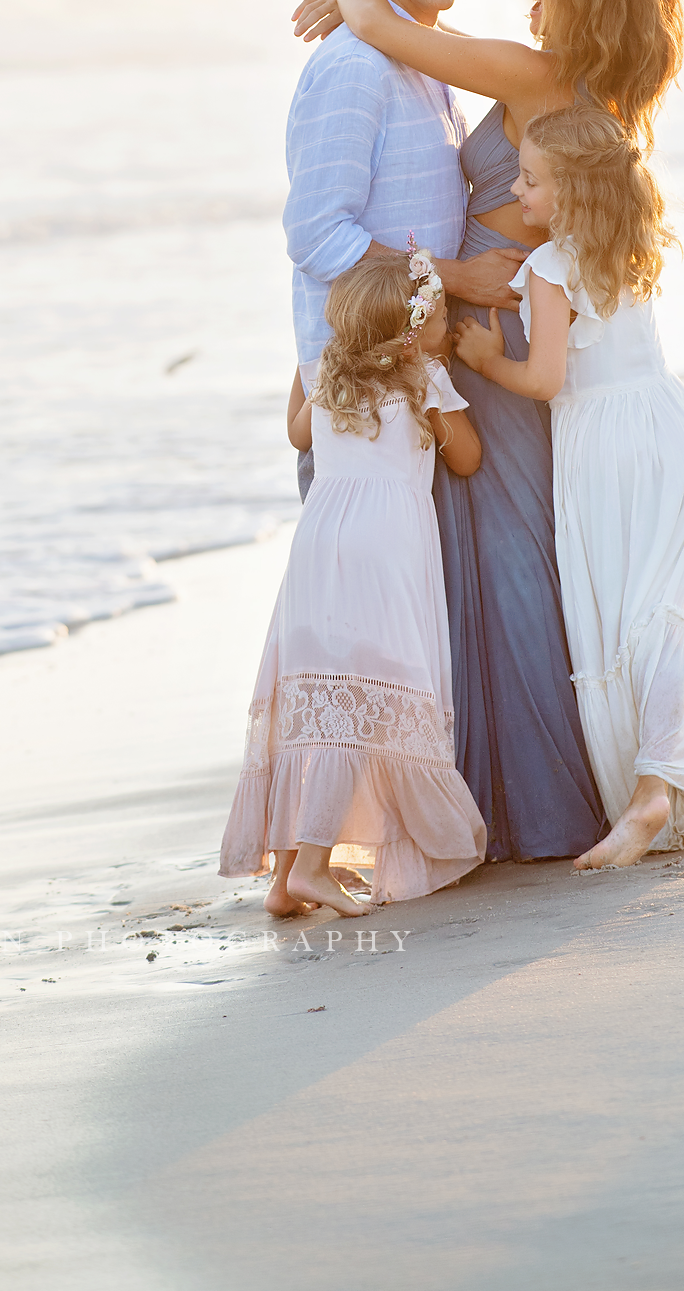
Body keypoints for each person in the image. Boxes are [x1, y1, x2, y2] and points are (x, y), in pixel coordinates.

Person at [295, 0, 681, 863]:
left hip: (487, 317)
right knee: (504, 540)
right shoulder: (594, 82)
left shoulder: (537, 73)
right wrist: (385, 11)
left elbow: (392, 31)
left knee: (503, 544)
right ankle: (515, 795)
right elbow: (444, 41)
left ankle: (527, 802)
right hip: (498, 313)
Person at [282, 0, 531, 819]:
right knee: (349, 649)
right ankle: (328, 838)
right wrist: (452, 280)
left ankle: (398, 825)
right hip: (363, 398)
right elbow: (319, 237)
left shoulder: (418, 60)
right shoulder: (351, 65)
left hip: (417, 397)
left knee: (405, 640)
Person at [453, 105, 684, 865]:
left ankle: (650, 793)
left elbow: (545, 377)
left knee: (625, 618)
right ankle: (661, 783)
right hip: (671, 432)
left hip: (601, 448)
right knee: (670, 611)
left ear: (570, 193)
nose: (517, 194)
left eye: (529, 181)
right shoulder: (635, 244)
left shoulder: (549, 268)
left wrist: (486, 359)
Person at [219, 248, 488, 912]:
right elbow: (469, 459)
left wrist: (307, 371)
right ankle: (313, 865)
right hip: (387, 547)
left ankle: (286, 877)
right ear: (411, 330)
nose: (447, 322)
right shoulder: (424, 382)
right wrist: (448, 382)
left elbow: (296, 436)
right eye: (440, 313)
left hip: (319, 546)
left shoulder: (320, 375)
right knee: (365, 702)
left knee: (318, 697)